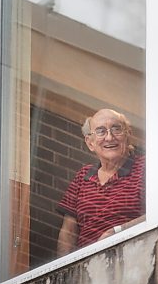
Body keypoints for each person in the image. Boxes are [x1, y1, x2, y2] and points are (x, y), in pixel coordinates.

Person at [56, 108, 145, 256]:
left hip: (134, 256)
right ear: (90, 143)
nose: (109, 138)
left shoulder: (145, 167)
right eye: (101, 131)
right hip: (86, 270)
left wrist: (118, 232)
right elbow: (68, 232)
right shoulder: (82, 176)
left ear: (128, 136)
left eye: (116, 129)